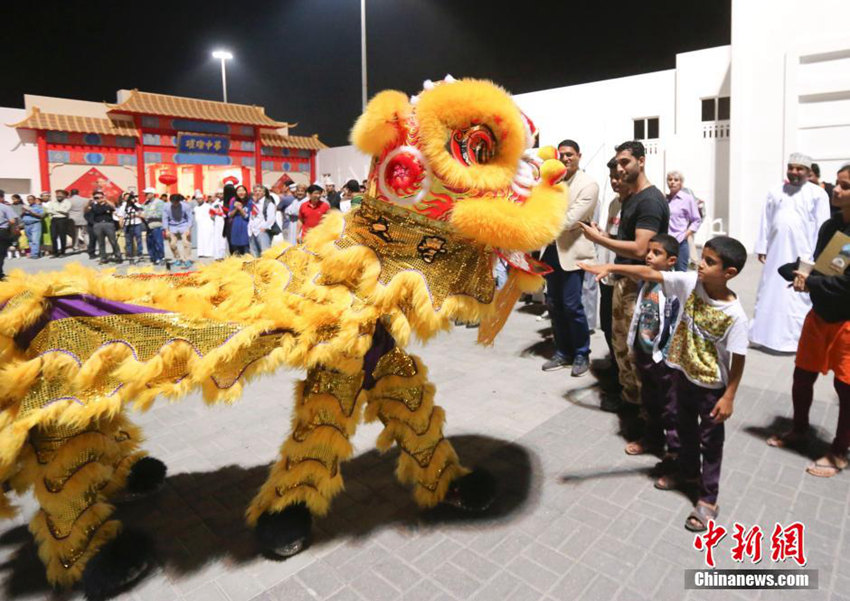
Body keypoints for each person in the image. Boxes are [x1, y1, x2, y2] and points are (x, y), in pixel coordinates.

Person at [581, 235, 748, 532]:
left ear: (729, 273)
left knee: (711, 444)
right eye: (702, 258)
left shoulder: (735, 315)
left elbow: (738, 359)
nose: (701, 264)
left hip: (711, 388)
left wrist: (730, 396)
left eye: (710, 262)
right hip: (682, 375)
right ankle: (687, 474)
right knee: (684, 430)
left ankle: (708, 499)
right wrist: (609, 267)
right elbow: (650, 273)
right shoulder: (690, 283)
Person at [767, 163, 850, 477]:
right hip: (819, 315)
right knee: (803, 376)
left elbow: (845, 283)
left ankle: (839, 452)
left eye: (844, 186)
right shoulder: (831, 227)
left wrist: (808, 282)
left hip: (846, 323)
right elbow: (822, 267)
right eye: (837, 184)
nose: (836, 190)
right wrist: (797, 272)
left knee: (846, 390)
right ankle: (799, 429)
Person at [579, 140, 670, 413]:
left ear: (641, 161)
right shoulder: (631, 198)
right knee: (622, 345)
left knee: (636, 350)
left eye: (625, 162)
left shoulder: (650, 200)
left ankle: (645, 414)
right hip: (625, 278)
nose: (620, 168)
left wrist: (598, 239)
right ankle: (632, 402)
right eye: (617, 163)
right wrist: (605, 236)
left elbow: (641, 248)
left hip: (639, 283)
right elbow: (629, 239)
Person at [750, 152, 831, 352]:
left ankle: (796, 340)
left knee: (797, 295)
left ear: (808, 171)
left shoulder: (817, 193)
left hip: (804, 253)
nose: (794, 172)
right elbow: (766, 220)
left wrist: (818, 256)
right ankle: (763, 336)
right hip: (776, 252)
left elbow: (824, 226)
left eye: (799, 169)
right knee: (770, 290)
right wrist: (762, 246)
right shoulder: (775, 190)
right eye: (791, 167)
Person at [620, 234, 680, 469]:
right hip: (645, 353)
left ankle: (675, 453)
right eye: (649, 251)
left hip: (664, 358)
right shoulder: (646, 283)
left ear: (672, 260)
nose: (649, 256)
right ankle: (653, 439)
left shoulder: (673, 284)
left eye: (657, 253)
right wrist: (634, 346)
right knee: (650, 400)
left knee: (670, 405)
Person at [541, 139, 599, 377]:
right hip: (551, 251)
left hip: (573, 253)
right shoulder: (554, 182)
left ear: (579, 155)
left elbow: (569, 221)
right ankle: (562, 352)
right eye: (562, 155)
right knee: (554, 304)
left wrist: (540, 221)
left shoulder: (589, 185)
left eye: (570, 155)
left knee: (572, 305)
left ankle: (581, 353)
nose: (565, 159)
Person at [598, 158, 624, 392]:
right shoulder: (614, 203)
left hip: (624, 277)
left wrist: (602, 238)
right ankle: (615, 363)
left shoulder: (637, 204)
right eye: (612, 179)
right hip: (607, 275)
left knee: (622, 329)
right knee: (607, 324)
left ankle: (622, 378)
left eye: (619, 177)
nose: (615, 182)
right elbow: (609, 237)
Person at [666, 171, 702, 271]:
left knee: (680, 274)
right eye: (670, 180)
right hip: (665, 242)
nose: (672, 182)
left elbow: (696, 220)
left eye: (676, 180)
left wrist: (686, 234)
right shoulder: (665, 199)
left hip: (680, 242)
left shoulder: (687, 199)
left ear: (681, 183)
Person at [90, 191, 122, 264]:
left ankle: (118, 256)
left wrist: (105, 200)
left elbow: (114, 207)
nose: (98, 199)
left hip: (108, 224)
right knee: (101, 242)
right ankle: (103, 258)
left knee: (113, 241)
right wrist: (90, 202)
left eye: (100, 197)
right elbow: (86, 210)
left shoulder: (107, 204)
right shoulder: (94, 206)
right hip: (98, 224)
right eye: (96, 198)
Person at [163, 193, 194, 269]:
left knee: (186, 243)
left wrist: (188, 229)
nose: (175, 204)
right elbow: (165, 219)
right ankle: (177, 258)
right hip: (172, 226)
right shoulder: (166, 206)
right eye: (173, 202)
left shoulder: (186, 206)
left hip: (184, 225)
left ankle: (186, 259)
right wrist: (166, 230)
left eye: (177, 202)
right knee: (172, 244)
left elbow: (190, 218)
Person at [249, 185, 279, 257]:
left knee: (265, 252)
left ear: (264, 193)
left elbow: (271, 218)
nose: (257, 193)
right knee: (254, 253)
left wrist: (264, 227)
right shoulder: (253, 203)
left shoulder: (268, 203)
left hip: (263, 231)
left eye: (260, 191)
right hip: (252, 231)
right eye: (255, 191)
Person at [116, 193, 144, 264]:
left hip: (137, 224)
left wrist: (136, 215)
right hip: (127, 225)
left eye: (130, 197)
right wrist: (121, 225)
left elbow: (141, 214)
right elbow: (120, 216)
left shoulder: (137, 205)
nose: (129, 199)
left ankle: (140, 253)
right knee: (128, 240)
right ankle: (130, 254)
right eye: (127, 197)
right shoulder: (123, 206)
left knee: (138, 239)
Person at [140, 188, 165, 265]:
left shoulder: (159, 202)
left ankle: (161, 258)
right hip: (148, 226)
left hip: (156, 225)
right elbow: (141, 210)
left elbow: (160, 214)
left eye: (147, 193)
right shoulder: (145, 203)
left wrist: (147, 215)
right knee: (150, 243)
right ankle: (154, 258)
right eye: (145, 193)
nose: (145, 195)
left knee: (158, 242)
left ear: (152, 194)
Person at [227, 186, 251, 256]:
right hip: (235, 226)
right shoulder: (234, 202)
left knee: (246, 249)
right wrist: (236, 209)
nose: (241, 192)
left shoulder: (249, 202)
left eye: (243, 190)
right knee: (236, 250)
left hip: (246, 226)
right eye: (238, 191)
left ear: (246, 192)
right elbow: (229, 215)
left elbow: (247, 217)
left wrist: (240, 209)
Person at [47, 189, 71, 257]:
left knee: (62, 236)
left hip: (62, 220)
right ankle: (55, 252)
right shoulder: (52, 202)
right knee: (53, 236)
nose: (58, 195)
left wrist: (55, 211)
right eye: (57, 194)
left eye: (60, 194)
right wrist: (59, 211)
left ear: (64, 195)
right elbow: (49, 211)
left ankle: (62, 252)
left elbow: (66, 211)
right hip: (54, 220)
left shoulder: (67, 202)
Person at [0, 192, 19, 280]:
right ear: (2, 198)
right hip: (2, 231)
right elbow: (12, 221)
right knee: (1, 254)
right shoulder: (5, 207)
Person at [21, 194, 45, 259]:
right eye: (28, 200)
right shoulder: (26, 207)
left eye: (31, 199)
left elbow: (42, 215)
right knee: (30, 240)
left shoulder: (38, 207)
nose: (29, 201)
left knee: (35, 239)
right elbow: (21, 216)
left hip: (35, 224)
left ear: (34, 200)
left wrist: (32, 212)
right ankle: (33, 253)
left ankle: (35, 254)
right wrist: (23, 212)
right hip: (26, 225)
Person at [194, 192, 216, 259]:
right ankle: (201, 253)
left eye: (200, 199)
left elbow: (213, 215)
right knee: (200, 239)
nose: (199, 200)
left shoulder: (208, 206)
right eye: (197, 199)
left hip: (208, 225)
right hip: (200, 226)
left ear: (203, 199)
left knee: (208, 239)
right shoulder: (196, 208)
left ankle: (208, 253)